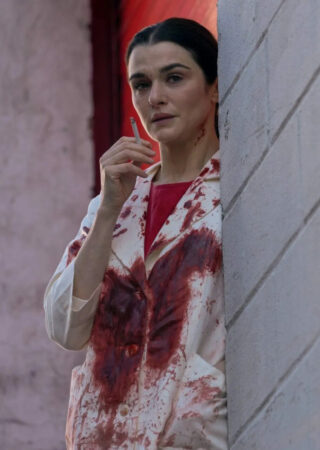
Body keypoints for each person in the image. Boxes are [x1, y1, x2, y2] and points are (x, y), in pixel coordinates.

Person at [43, 18, 226, 449]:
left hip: (193, 437)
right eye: (141, 84)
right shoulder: (115, 203)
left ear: (215, 88)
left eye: (174, 78)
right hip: (104, 437)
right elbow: (64, 327)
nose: (155, 97)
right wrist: (109, 209)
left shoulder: (235, 191)